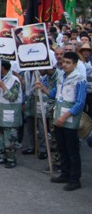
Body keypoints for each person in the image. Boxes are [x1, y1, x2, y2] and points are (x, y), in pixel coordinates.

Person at [36, 51, 87, 191]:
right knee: (61, 148)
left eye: (68, 63)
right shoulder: (61, 77)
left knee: (72, 150)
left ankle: (74, 179)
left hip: (69, 120)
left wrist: (64, 117)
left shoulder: (80, 80)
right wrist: (43, 88)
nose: (64, 65)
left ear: (75, 64)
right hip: (58, 118)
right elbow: (54, 95)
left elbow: (80, 103)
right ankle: (65, 173)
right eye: (64, 62)